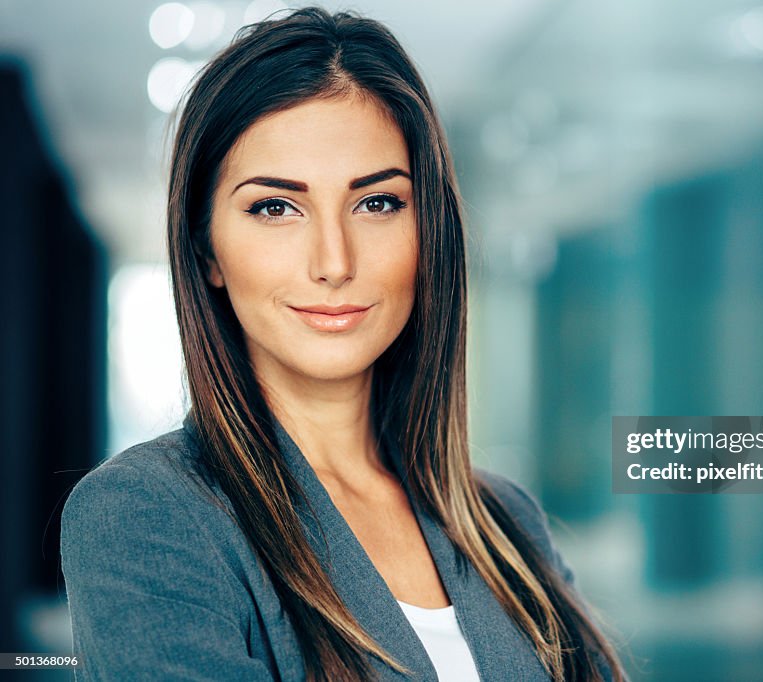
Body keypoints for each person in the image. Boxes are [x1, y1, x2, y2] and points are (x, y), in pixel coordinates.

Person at [60, 7, 628, 681]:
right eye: (275, 207)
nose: (334, 262)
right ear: (205, 248)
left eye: (377, 203)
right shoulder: (147, 515)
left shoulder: (505, 520)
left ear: (429, 233)